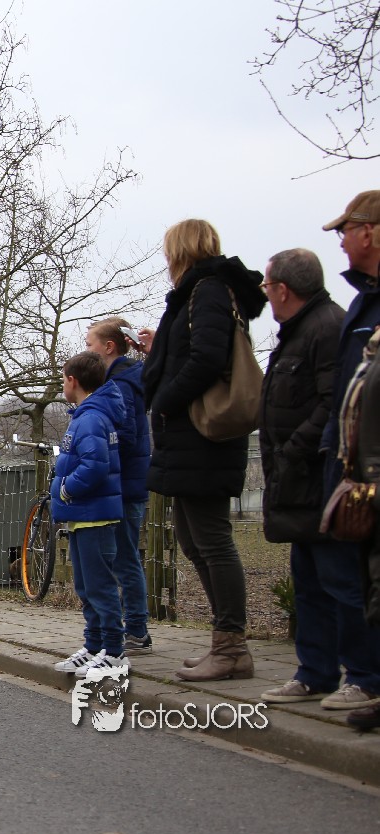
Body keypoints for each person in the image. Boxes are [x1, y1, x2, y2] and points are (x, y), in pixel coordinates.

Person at [138, 219, 265, 681]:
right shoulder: (201, 292)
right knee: (193, 540)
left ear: (181, 250)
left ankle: (232, 647)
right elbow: (197, 350)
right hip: (191, 439)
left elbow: (207, 358)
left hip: (202, 436)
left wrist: (166, 400)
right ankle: (225, 642)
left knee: (212, 540)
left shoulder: (207, 290)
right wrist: (161, 352)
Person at [257, 248, 380, 713]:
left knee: (342, 580)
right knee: (308, 581)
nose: (266, 295)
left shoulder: (326, 328)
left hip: (319, 477)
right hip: (299, 483)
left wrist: (294, 450)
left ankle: (364, 676)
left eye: (268, 286)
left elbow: (334, 403)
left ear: (283, 289)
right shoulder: (300, 330)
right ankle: (315, 672)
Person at [320, 191, 380, 730]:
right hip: (355, 464)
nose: (340, 240)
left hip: (373, 464)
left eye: (346, 229)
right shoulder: (362, 302)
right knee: (364, 576)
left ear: (371, 232)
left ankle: (367, 676)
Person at [49, 352, 128, 677]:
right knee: (86, 586)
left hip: (94, 516)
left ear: (73, 381)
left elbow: (95, 465)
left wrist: (66, 489)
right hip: (84, 517)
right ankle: (94, 646)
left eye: (63, 379)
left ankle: (115, 652)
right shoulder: (84, 416)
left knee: (100, 586)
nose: (62, 385)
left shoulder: (92, 418)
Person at [84, 317, 151, 653]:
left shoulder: (121, 384)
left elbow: (124, 435)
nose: (87, 350)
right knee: (123, 557)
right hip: (125, 482)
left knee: (125, 558)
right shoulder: (123, 379)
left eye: (90, 344)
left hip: (124, 484)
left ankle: (137, 629)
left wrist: (95, 449)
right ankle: (131, 626)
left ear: (109, 347)